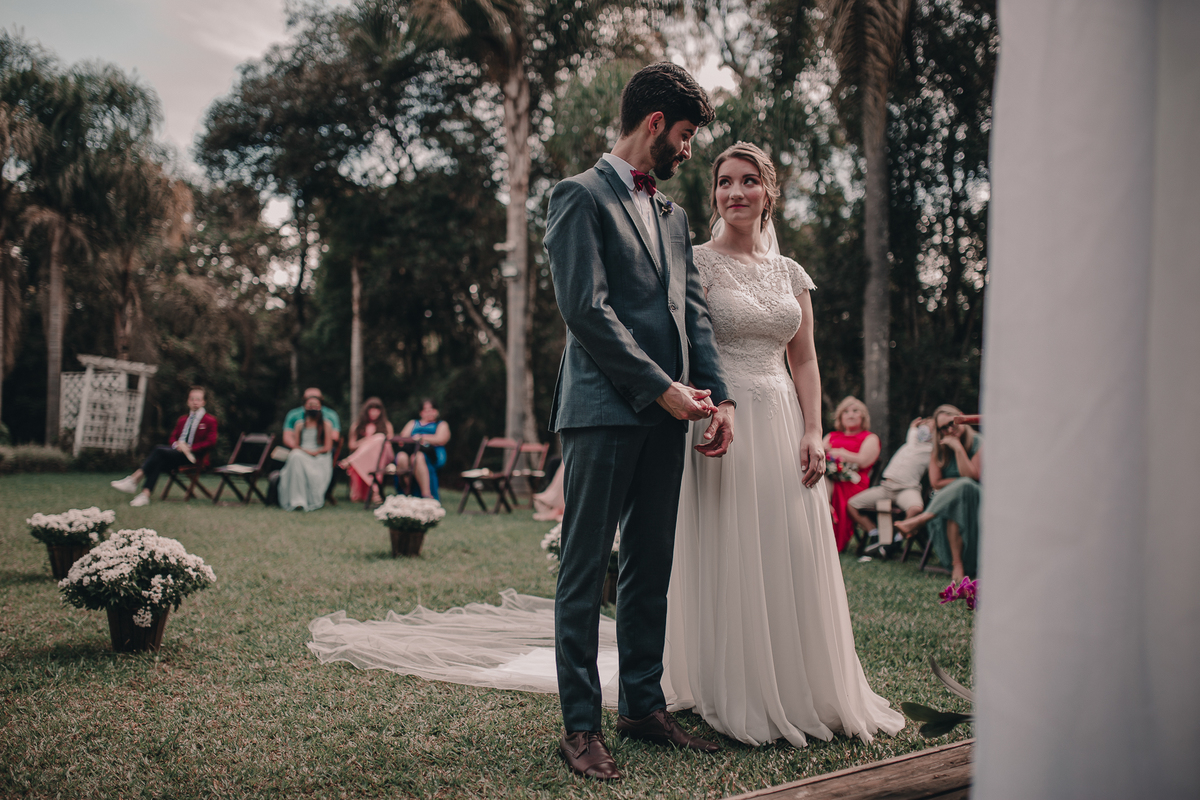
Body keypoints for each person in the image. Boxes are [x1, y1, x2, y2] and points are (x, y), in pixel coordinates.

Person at [661, 142, 904, 748]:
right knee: (731, 543)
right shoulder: (696, 262)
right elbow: (687, 344)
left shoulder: (791, 273)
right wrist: (706, 405)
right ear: (714, 193)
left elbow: (806, 357)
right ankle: (732, 684)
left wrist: (814, 429)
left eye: (747, 182)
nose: (734, 193)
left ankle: (802, 684)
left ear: (769, 192)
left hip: (785, 419)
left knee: (787, 544)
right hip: (725, 418)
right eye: (724, 183)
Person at [543, 62, 735, 781]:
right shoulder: (578, 197)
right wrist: (661, 390)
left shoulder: (674, 216)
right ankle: (581, 726)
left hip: (671, 417)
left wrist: (719, 398)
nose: (689, 151)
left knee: (651, 563)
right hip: (601, 413)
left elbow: (694, 316)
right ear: (654, 124)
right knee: (585, 570)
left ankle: (643, 707)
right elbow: (585, 311)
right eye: (685, 136)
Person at [893, 404, 982, 583]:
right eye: (943, 428)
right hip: (947, 505)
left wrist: (957, 448)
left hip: (978, 502)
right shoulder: (939, 449)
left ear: (962, 418)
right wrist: (958, 485)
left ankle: (920, 520)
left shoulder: (979, 442)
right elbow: (935, 483)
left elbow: (973, 477)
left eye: (952, 423)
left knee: (965, 485)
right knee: (956, 499)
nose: (950, 429)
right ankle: (957, 564)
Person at [111, 386, 217, 507]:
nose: (195, 402)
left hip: (194, 457)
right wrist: (177, 445)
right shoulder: (182, 420)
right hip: (177, 453)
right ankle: (145, 495)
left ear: (203, 402)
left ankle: (134, 480)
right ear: (188, 401)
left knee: (158, 450)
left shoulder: (210, 420)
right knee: (158, 460)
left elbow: (211, 442)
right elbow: (172, 438)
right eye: (192, 399)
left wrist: (190, 448)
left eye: (198, 399)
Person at [851, 417, 935, 556]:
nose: (927, 429)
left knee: (916, 508)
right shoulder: (912, 441)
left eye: (932, 428)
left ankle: (897, 540)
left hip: (907, 489)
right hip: (886, 487)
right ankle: (874, 533)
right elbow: (913, 429)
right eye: (926, 426)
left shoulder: (932, 450)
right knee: (852, 504)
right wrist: (915, 426)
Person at [823, 396, 881, 552]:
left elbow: (863, 461)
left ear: (863, 416)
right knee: (820, 481)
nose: (851, 414)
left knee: (826, 488)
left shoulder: (870, 438)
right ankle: (821, 531)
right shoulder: (831, 436)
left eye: (856, 411)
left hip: (855, 481)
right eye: (846, 412)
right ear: (840, 417)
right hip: (831, 479)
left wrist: (840, 453)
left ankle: (827, 512)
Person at [277, 394, 335, 511]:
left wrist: (314, 452)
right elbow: (297, 446)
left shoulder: (326, 425)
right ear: (304, 407)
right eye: (310, 405)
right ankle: (297, 501)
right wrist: (305, 451)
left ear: (320, 407)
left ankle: (302, 500)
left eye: (315, 405)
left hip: (320, 457)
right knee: (295, 455)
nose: (313, 408)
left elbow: (328, 447)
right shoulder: (299, 425)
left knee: (296, 456)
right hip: (302, 454)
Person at [340, 398, 394, 504]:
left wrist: (374, 440)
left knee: (380, 438)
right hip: (366, 458)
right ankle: (375, 491)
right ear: (366, 410)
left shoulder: (386, 425)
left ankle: (350, 460)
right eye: (371, 409)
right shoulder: (358, 425)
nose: (374, 412)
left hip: (384, 456)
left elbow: (389, 444)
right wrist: (367, 441)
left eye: (377, 410)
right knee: (375, 447)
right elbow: (351, 445)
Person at [395, 399, 450, 500]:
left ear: (436, 411)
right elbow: (402, 439)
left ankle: (427, 494)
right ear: (421, 413)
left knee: (417, 457)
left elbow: (441, 439)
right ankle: (407, 491)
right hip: (411, 451)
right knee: (401, 457)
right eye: (426, 410)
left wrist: (421, 437)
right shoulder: (413, 423)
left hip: (432, 454)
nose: (429, 413)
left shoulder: (441, 424)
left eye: (432, 409)